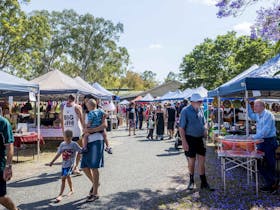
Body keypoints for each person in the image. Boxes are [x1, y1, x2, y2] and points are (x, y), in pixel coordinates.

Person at [179, 93, 214, 191]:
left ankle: (204, 183)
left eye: (201, 101)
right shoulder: (185, 111)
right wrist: (184, 142)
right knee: (192, 161)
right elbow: (181, 128)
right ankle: (191, 181)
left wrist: (206, 128)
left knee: (202, 161)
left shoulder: (201, 110)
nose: (201, 103)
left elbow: (204, 122)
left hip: (200, 139)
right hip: (189, 139)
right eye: (199, 101)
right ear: (192, 102)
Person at [248, 99, 278, 193]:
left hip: (269, 141)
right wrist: (248, 105)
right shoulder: (258, 115)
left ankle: (272, 184)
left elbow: (266, 132)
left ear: (262, 106)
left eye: (256, 105)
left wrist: (253, 137)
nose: (254, 107)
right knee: (258, 163)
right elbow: (251, 115)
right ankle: (272, 182)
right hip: (261, 141)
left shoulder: (269, 115)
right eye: (254, 105)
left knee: (269, 164)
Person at [80, 108, 107, 202]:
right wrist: (86, 130)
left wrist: (92, 130)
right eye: (85, 101)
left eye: (88, 100)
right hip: (87, 142)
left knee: (94, 167)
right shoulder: (84, 113)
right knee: (84, 166)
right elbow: (84, 127)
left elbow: (104, 125)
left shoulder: (99, 111)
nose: (86, 102)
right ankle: (96, 183)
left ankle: (95, 193)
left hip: (97, 140)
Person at [49, 130, 82, 202]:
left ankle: (60, 195)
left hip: (70, 165)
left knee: (63, 178)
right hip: (64, 165)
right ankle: (72, 190)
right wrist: (52, 162)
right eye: (65, 137)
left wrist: (86, 151)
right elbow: (58, 154)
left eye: (68, 138)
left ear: (71, 137)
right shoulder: (62, 144)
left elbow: (81, 151)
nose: (67, 139)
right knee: (68, 177)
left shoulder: (74, 144)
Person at [61, 95, 85, 175]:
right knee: (79, 151)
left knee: (68, 151)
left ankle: (67, 169)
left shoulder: (62, 107)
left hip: (67, 132)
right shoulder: (77, 107)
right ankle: (75, 168)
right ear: (75, 99)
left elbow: (61, 120)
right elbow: (82, 119)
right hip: (76, 132)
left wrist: (63, 131)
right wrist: (85, 129)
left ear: (68, 99)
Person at [0, 116, 17, 210]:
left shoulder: (3, 123)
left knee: (1, 197)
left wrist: (8, 167)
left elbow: (9, 146)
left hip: (0, 164)